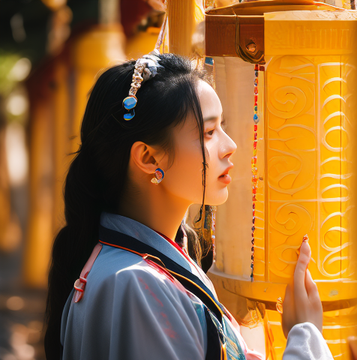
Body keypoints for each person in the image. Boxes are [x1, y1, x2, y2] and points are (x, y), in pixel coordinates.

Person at [44, 52, 333, 360]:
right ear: (148, 158)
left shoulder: (147, 266)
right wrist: (305, 337)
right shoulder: (136, 284)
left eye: (222, 126)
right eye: (209, 132)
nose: (230, 145)